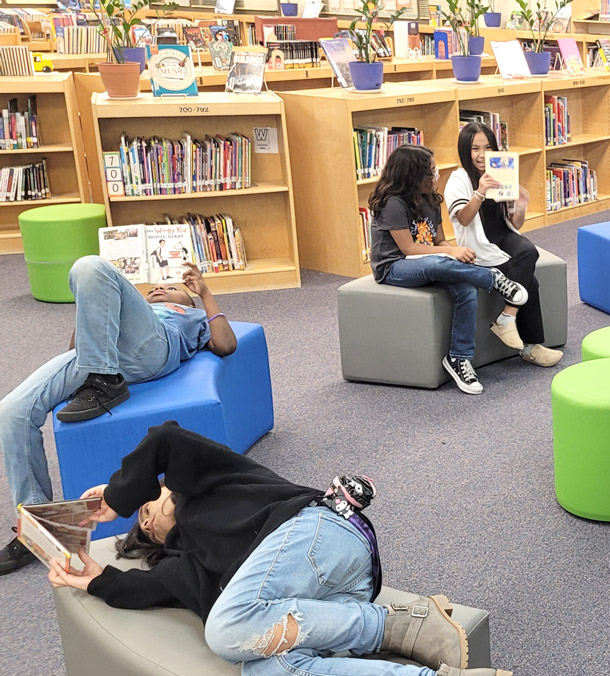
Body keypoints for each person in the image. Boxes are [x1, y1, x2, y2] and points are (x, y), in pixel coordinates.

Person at [43, 423, 503, 676]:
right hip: (330, 595)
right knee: (267, 673)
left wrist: (117, 498)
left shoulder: (208, 483)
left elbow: (166, 440)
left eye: (147, 507)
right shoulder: (186, 565)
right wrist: (95, 579)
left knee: (223, 632)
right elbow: (144, 588)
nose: (146, 518)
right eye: (144, 526)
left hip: (321, 532)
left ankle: (397, 626)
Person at [0, 256, 235, 576]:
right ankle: (40, 528)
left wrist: (205, 295)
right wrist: (95, 307)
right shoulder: (126, 311)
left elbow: (226, 343)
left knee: (88, 266)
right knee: (12, 412)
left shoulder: (188, 316)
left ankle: (106, 382)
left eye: (171, 288)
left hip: (152, 351)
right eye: (155, 288)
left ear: (186, 301)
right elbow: (76, 347)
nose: (161, 289)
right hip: (98, 360)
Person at [367, 144, 530, 395]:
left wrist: (455, 254)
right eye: (430, 172)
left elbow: (439, 242)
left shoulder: (431, 200)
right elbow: (409, 248)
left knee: (465, 288)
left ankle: (458, 358)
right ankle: (492, 278)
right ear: (412, 176)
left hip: (430, 262)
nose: (436, 176)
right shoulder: (393, 203)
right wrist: (449, 252)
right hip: (394, 267)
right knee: (439, 261)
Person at [443, 121, 561, 367]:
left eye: (487, 147)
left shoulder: (501, 172)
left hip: (502, 239)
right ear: (465, 150)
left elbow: (514, 225)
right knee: (530, 275)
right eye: (475, 149)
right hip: (479, 249)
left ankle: (512, 323)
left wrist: (521, 204)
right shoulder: (458, 179)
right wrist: (480, 191)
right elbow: (463, 219)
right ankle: (524, 338)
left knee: (528, 256)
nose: (482, 155)